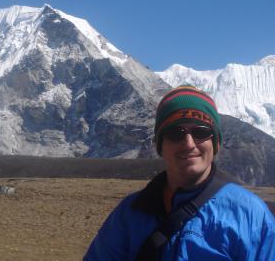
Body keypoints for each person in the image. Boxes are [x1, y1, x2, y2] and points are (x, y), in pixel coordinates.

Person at [84, 85, 275, 260]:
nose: (189, 144)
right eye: (176, 133)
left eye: (201, 132)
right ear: (160, 145)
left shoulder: (250, 214)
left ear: (215, 143)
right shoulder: (129, 213)